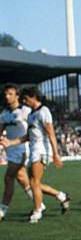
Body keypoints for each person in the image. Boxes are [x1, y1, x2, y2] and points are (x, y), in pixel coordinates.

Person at [0, 86, 70, 222]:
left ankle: (33, 211)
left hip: (34, 150)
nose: (25, 101)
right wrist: (10, 143)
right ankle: (60, 196)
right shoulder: (29, 114)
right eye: (5, 94)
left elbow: (50, 133)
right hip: (28, 150)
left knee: (16, 179)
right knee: (30, 183)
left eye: (26, 99)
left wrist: (56, 154)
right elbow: (29, 135)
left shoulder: (37, 111)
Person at [0, 84, 41, 220]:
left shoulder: (25, 111)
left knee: (8, 177)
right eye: (5, 94)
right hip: (11, 150)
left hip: (23, 148)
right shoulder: (4, 113)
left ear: (17, 96)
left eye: (10, 94)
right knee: (24, 180)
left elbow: (34, 129)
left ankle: (2, 210)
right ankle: (51, 200)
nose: (7, 96)